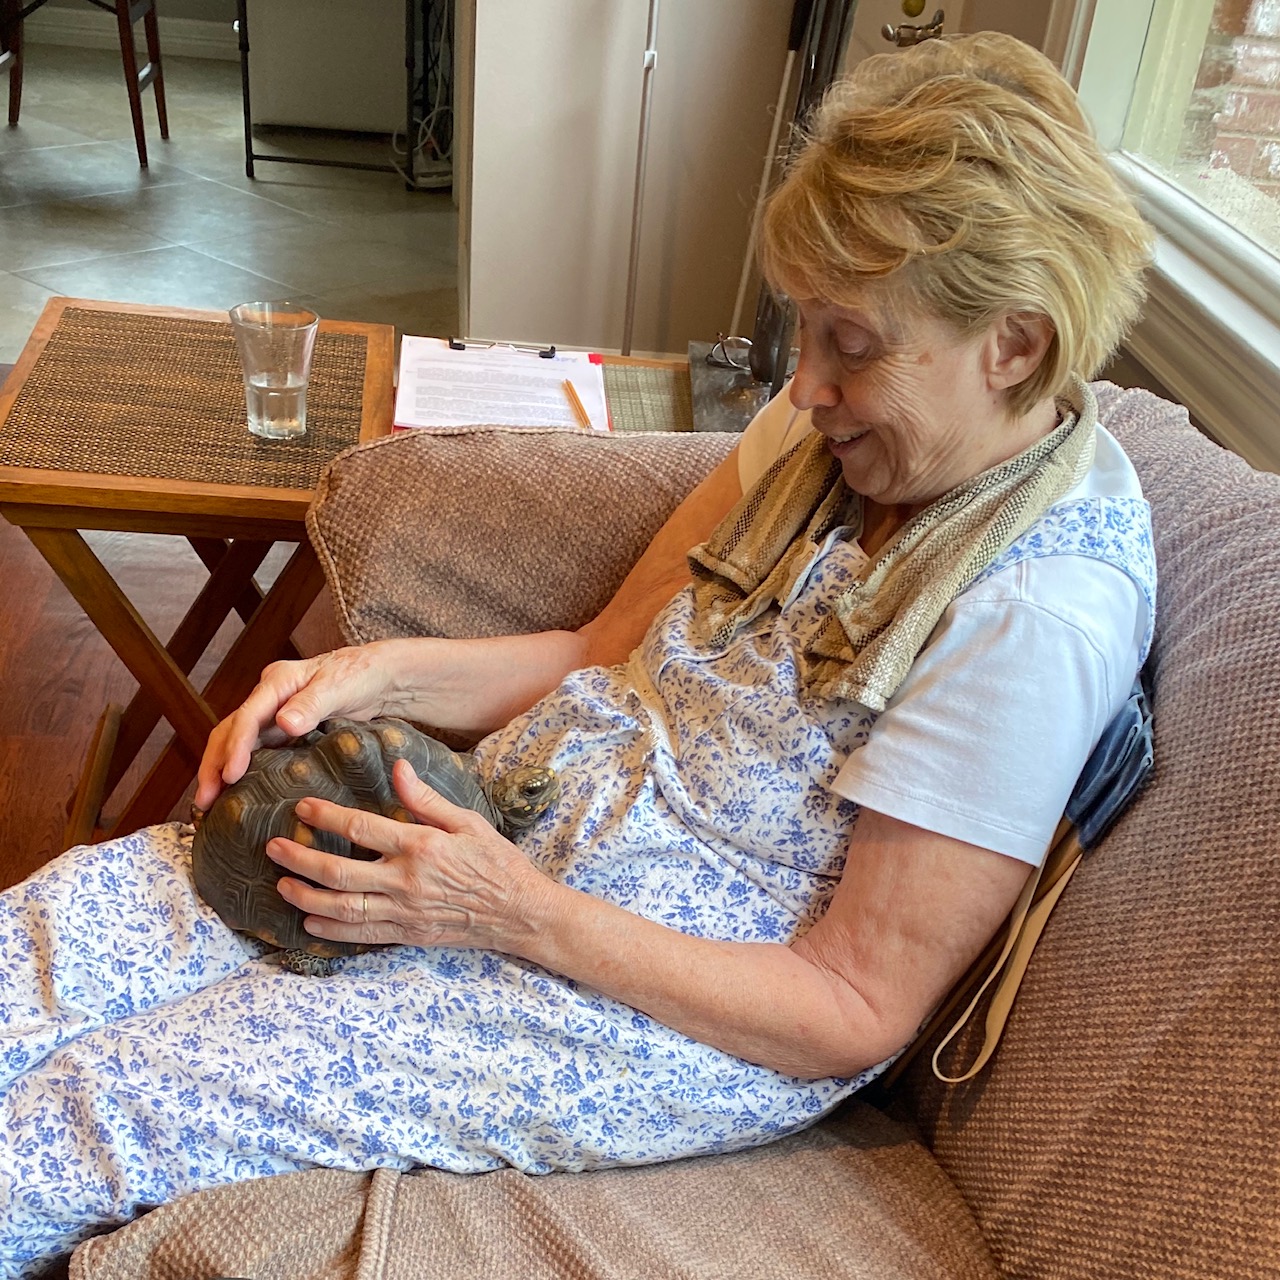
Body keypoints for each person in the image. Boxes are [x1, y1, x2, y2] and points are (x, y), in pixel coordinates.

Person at [0, 32, 1155, 1276]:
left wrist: (505, 908)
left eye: (852, 345)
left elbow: (847, 1006)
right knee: (60, 929)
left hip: (657, 1002)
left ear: (1016, 346)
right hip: (513, 838)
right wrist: (369, 672)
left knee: (108, 1104)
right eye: (800, 332)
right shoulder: (821, 439)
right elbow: (600, 652)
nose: (802, 386)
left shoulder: (1037, 609)